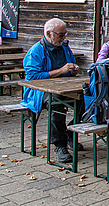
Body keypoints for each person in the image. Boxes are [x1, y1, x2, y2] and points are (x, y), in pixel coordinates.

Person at [21, 18, 82, 163]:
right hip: (40, 91)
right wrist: (60, 71)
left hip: (65, 87)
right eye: (61, 35)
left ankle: (71, 133)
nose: (64, 37)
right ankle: (59, 145)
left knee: (87, 98)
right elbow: (33, 77)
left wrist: (73, 69)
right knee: (57, 103)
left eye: (65, 34)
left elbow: (71, 63)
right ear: (49, 34)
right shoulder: (35, 51)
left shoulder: (64, 47)